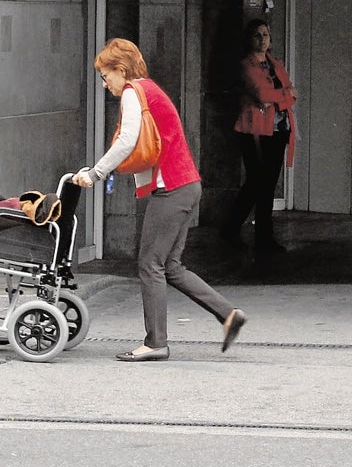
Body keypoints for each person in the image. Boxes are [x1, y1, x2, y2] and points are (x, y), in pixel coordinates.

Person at [72, 38, 246, 362]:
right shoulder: (148, 88)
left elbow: (126, 141)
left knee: (149, 264)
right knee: (170, 267)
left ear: (120, 70)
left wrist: (95, 174)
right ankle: (228, 314)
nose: (104, 82)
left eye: (105, 75)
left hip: (173, 188)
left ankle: (155, 343)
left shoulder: (132, 92)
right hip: (186, 184)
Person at [221, 19, 298, 255]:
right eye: (258, 35)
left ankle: (255, 234)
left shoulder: (276, 64)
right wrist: (284, 95)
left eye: (266, 34)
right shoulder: (247, 65)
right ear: (250, 39)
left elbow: (292, 94)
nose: (263, 39)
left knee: (267, 184)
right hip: (254, 129)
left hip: (278, 129)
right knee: (257, 182)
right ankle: (239, 230)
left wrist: (281, 96)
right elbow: (262, 95)